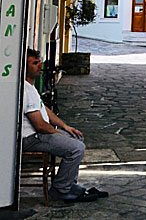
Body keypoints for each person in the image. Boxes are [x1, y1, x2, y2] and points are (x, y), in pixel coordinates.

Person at [21, 49, 106, 202]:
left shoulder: (30, 87)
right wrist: (57, 133)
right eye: (34, 63)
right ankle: (60, 190)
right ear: (24, 67)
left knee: (76, 138)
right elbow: (40, 125)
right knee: (76, 148)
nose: (40, 66)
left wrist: (65, 127)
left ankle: (69, 184)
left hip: (40, 134)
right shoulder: (25, 90)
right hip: (31, 137)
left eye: (39, 62)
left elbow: (44, 109)